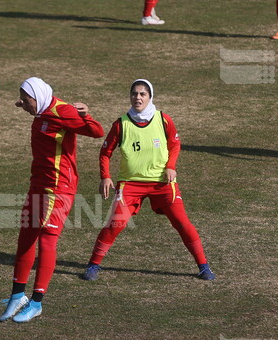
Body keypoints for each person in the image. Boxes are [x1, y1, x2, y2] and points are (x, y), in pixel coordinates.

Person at [80, 80, 215, 282]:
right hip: (130, 184)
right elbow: (105, 152)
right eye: (134, 94)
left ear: (150, 97)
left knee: (182, 222)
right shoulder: (121, 124)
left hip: (162, 183)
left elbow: (175, 145)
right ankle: (93, 265)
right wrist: (105, 176)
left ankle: (203, 266)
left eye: (143, 94)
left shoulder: (164, 120)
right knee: (115, 224)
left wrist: (171, 167)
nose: (138, 98)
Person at [0, 77, 104, 323]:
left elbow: (97, 132)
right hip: (37, 185)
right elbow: (35, 106)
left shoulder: (63, 112)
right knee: (26, 235)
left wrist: (86, 115)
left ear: (39, 97)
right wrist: (25, 103)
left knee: (47, 241)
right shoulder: (39, 110)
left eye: (27, 101)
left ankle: (36, 302)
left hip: (58, 188)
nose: (24, 105)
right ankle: (17, 295)